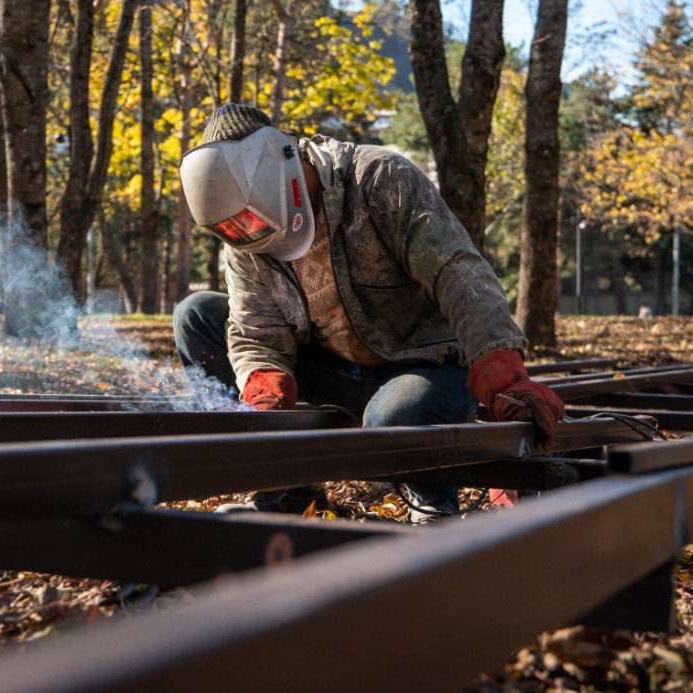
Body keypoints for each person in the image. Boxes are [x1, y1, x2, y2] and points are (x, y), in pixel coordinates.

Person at [174, 104, 564, 521]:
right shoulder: (246, 238)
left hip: (424, 364)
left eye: (251, 221)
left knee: (393, 418)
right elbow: (255, 331)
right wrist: (263, 393)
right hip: (339, 370)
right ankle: (288, 492)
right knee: (195, 316)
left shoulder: (378, 179)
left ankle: (432, 502)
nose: (250, 234)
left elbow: (457, 272)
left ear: (279, 166)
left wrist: (501, 368)